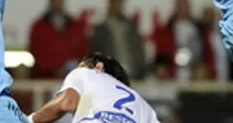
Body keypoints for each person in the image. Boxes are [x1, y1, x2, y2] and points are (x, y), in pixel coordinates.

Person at [26, 52, 160, 123]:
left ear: (99, 66)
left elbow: (66, 103)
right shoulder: (143, 106)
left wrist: (29, 120)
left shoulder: (87, 72)